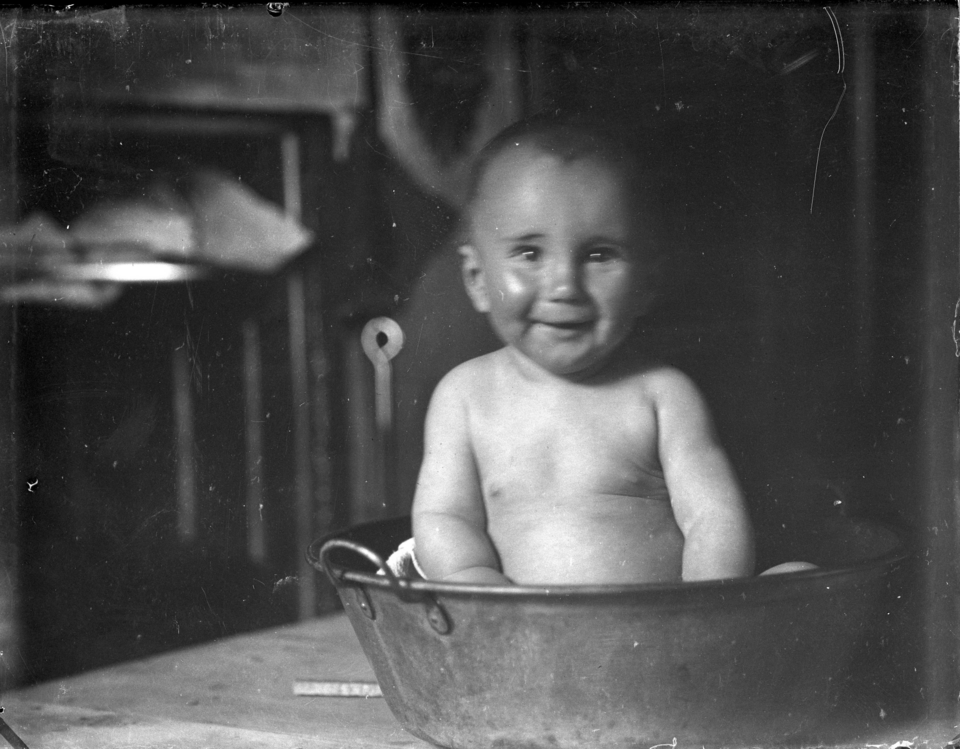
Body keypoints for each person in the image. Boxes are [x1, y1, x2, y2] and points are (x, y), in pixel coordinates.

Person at [406, 115, 758, 586]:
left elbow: (714, 520)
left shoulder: (663, 395)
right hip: (517, 635)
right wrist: (478, 585)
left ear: (646, 282)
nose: (564, 286)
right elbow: (444, 518)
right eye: (530, 253)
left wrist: (704, 605)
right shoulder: (465, 396)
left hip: (664, 635)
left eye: (599, 255)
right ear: (477, 280)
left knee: (800, 579)